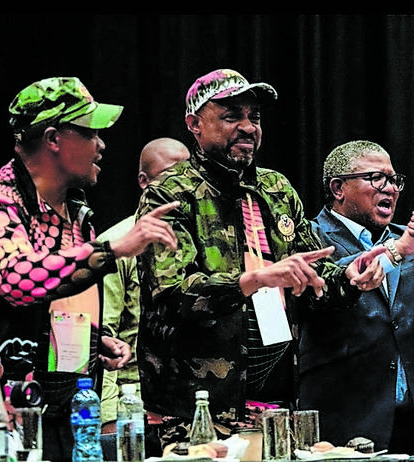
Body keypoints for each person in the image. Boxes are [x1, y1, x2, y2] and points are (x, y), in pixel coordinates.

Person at [134, 70, 385, 452]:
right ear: (195, 124)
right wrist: (255, 280)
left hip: (276, 408)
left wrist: (349, 278)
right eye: (232, 116)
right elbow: (170, 296)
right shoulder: (169, 194)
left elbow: (313, 277)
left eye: (255, 116)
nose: (248, 127)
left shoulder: (276, 189)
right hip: (195, 413)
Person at [0, 77, 178, 462]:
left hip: (63, 409)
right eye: (90, 132)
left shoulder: (77, 213)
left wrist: (93, 341)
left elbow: (56, 303)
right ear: (53, 138)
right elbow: (16, 279)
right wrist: (112, 249)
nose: (101, 145)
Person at [300, 140, 414, 454]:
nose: (390, 188)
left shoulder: (406, 238)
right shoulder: (310, 236)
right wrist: (396, 251)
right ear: (338, 188)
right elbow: (326, 287)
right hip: (346, 417)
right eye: (376, 178)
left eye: (394, 180)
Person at [99, 138, 191, 431]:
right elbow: (103, 339)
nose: (180, 185)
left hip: (194, 400)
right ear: (144, 181)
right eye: (168, 174)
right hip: (136, 405)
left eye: (187, 174)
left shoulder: (204, 238)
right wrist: (109, 419)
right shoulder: (117, 244)